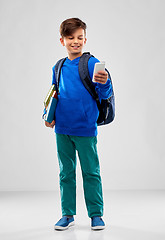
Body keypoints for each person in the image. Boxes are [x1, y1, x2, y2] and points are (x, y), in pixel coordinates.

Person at [44, 18, 113, 230]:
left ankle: (96, 214)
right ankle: (67, 214)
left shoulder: (91, 63)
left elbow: (104, 94)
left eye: (80, 38)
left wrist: (106, 82)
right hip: (62, 129)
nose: (76, 41)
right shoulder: (58, 66)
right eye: (71, 38)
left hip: (85, 129)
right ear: (62, 40)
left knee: (91, 172)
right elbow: (53, 93)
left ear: (85, 39)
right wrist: (48, 114)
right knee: (66, 173)